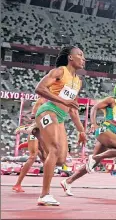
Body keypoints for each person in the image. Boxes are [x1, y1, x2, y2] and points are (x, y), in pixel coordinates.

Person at [60, 82, 116, 196]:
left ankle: (68, 181)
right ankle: (95, 157)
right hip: (104, 130)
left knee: (92, 164)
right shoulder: (112, 100)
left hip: (111, 133)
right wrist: (93, 124)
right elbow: (94, 108)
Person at [33, 46, 87, 206]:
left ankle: (37, 134)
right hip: (48, 111)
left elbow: (73, 109)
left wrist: (81, 131)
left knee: (60, 159)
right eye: (80, 55)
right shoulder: (60, 71)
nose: (83, 59)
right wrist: (62, 101)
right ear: (70, 57)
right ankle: (44, 195)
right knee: (55, 149)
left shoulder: (78, 81)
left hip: (61, 117)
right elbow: (39, 88)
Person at [12, 98, 47, 192]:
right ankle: (17, 184)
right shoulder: (41, 100)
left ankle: (46, 188)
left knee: (45, 158)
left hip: (43, 132)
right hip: (35, 131)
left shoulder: (52, 102)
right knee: (33, 156)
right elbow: (33, 115)